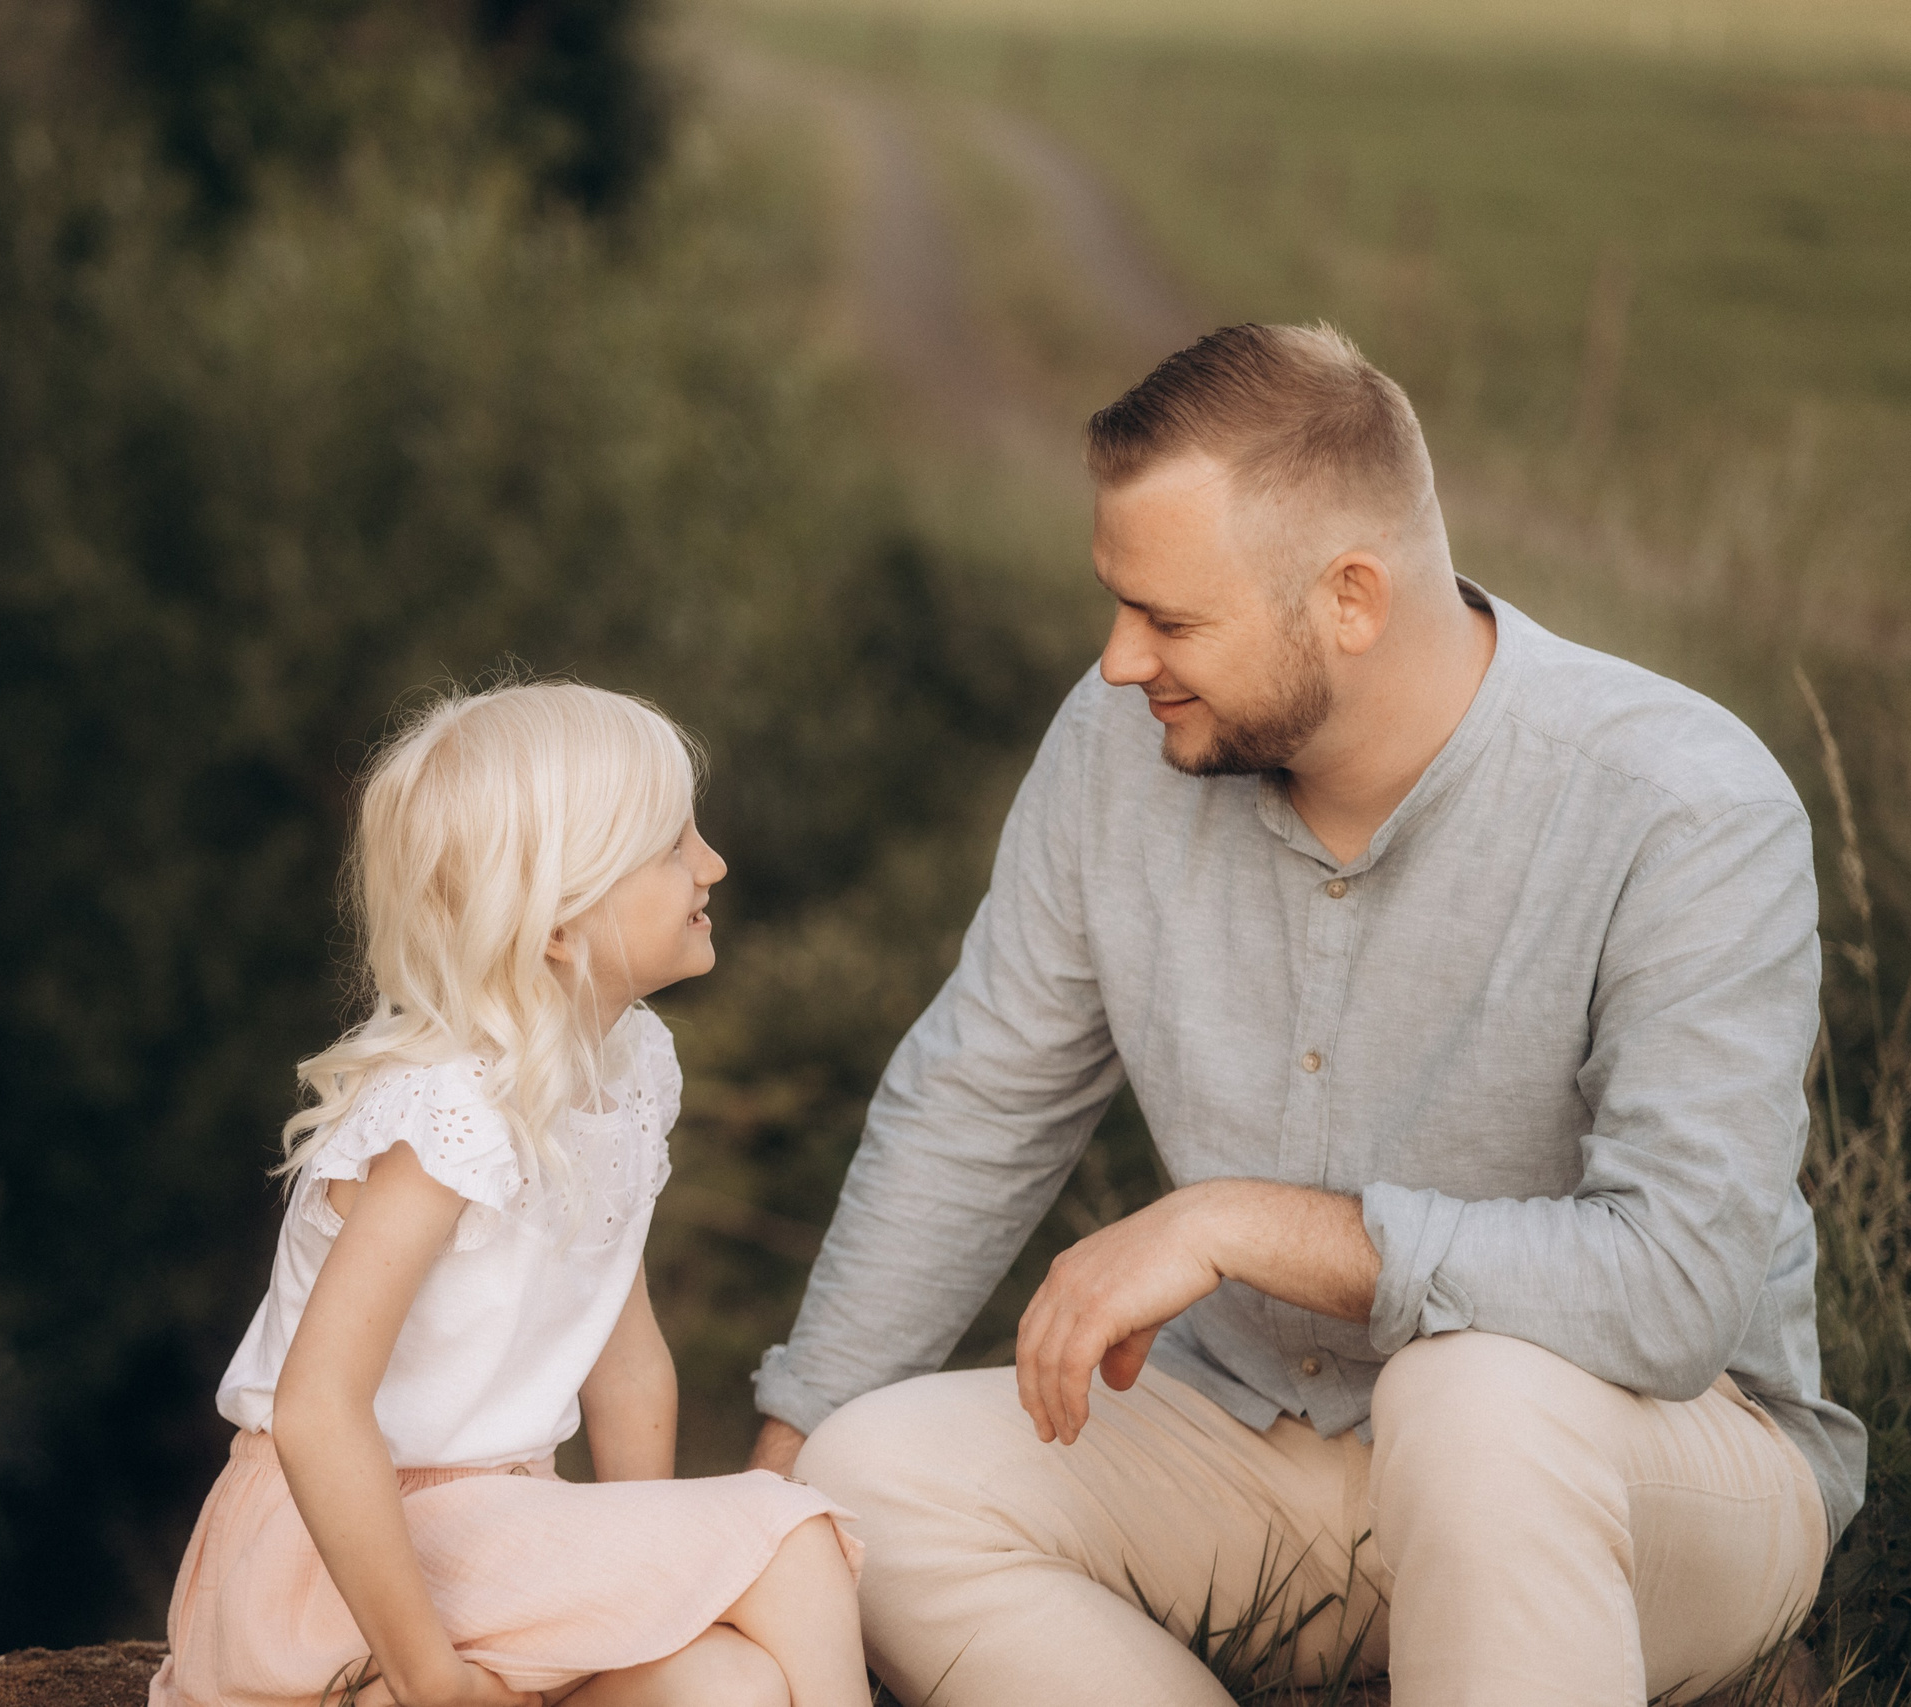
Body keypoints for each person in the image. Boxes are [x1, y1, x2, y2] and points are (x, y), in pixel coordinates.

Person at [746, 324, 1864, 1707]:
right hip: (1254, 1434)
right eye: (1116, 604)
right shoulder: (1113, 745)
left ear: (1349, 597)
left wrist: (1237, 1222)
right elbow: (977, 1102)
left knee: (1471, 1396)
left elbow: (1673, 1290)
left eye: (1168, 621)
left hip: (1647, 1458)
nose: (1117, 660)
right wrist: (777, 1481)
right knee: (863, 1484)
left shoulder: (1685, 804)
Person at [152, 681, 866, 1707]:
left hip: (493, 1538)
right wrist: (434, 1681)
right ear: (559, 924)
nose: (712, 864)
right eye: (672, 845)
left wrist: (649, 1590)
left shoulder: (627, 1067)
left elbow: (628, 1368)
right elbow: (315, 1411)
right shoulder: (450, 1107)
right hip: (337, 1561)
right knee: (792, 1538)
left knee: (731, 1684)